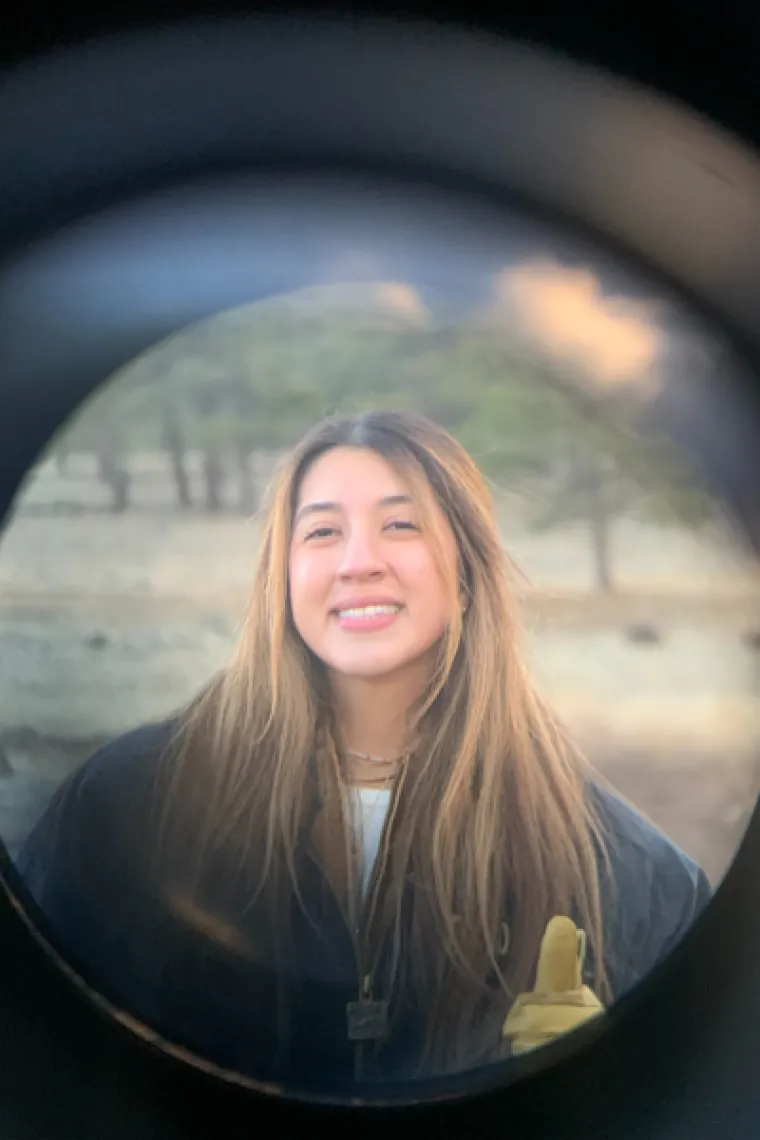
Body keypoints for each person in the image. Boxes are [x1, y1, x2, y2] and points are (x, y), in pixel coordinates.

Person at [16, 408, 711, 1094]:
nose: (358, 563)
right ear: (282, 576)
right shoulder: (122, 812)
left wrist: (588, 1086)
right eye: (322, 532)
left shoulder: (626, 876)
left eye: (401, 525)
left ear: (467, 567)